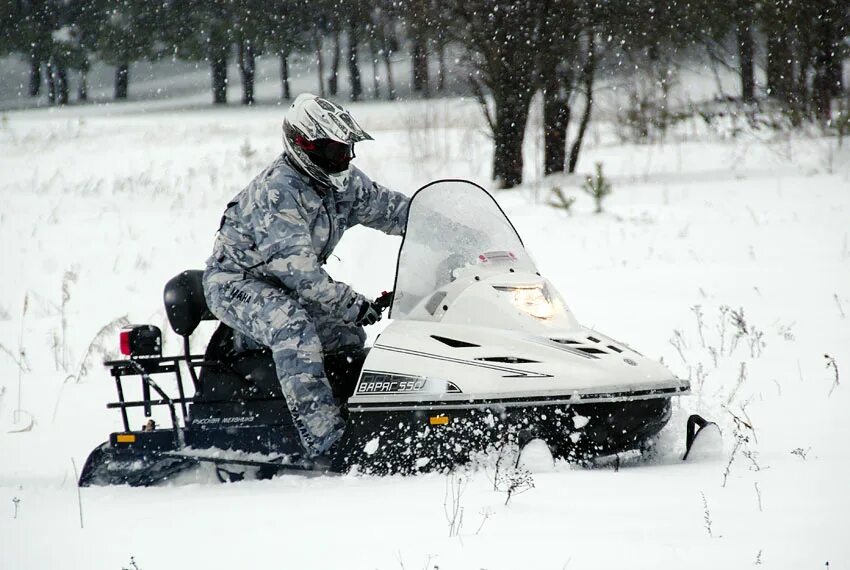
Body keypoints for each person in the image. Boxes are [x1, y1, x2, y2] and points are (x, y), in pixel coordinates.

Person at [203, 94, 409, 459]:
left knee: (347, 334)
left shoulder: (341, 182)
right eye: (333, 151)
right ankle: (324, 441)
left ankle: (351, 415)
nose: (343, 159)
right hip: (236, 283)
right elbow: (302, 276)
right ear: (304, 146)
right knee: (294, 329)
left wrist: (440, 224)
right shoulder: (279, 192)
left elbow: (391, 210)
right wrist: (351, 302)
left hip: (281, 281)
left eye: (347, 150)